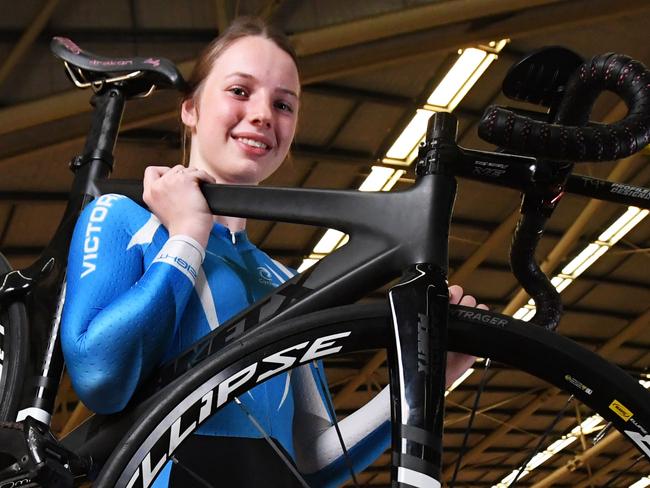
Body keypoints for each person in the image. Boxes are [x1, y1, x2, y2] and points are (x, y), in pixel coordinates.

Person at [61, 17, 486, 487]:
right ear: (190, 110)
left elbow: (315, 460)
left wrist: (425, 384)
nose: (263, 114)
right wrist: (186, 236)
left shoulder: (285, 280)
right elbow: (102, 378)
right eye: (240, 92)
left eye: (283, 104)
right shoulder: (123, 216)